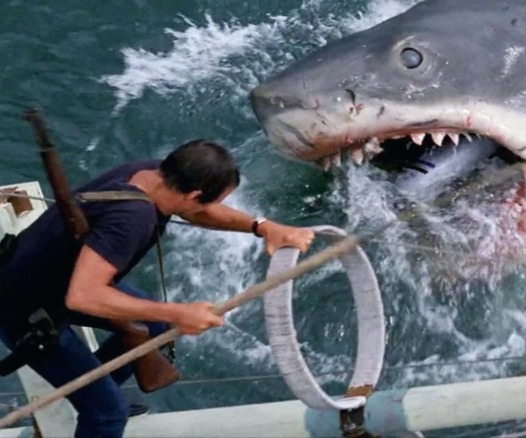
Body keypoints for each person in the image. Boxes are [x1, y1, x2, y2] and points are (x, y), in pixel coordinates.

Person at [0, 139, 314, 437]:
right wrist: (178, 311)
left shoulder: (151, 174)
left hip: (47, 275)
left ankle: (95, 389)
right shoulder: (132, 218)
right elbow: (84, 295)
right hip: (26, 311)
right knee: (108, 415)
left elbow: (201, 210)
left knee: (152, 326)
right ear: (193, 195)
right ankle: (98, 403)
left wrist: (262, 226)